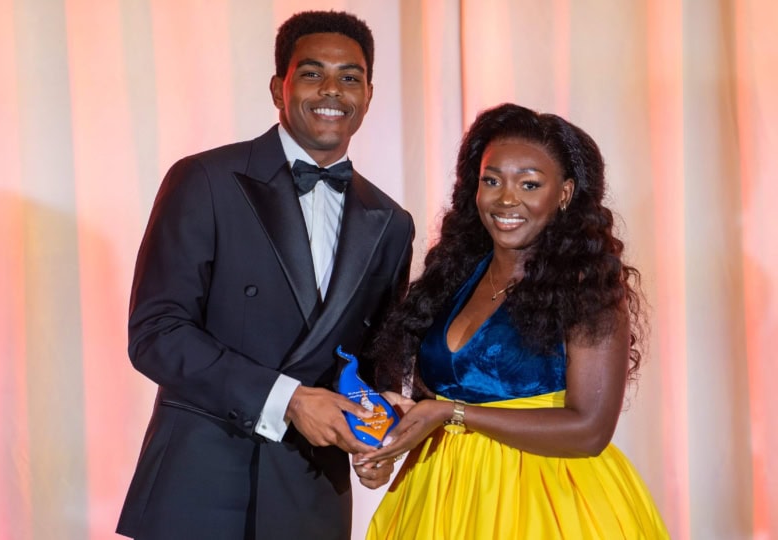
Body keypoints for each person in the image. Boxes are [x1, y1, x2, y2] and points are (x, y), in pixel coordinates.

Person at [116, 10, 414, 540]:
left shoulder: (391, 222)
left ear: (369, 95)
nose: (332, 90)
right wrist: (289, 399)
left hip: (310, 494)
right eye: (312, 73)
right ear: (279, 88)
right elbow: (156, 334)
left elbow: (374, 364)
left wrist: (375, 438)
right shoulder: (204, 180)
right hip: (199, 485)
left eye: (350, 77)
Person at [357, 103, 669, 538]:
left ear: (563, 193)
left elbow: (589, 429)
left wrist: (453, 414)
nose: (507, 198)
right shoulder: (453, 277)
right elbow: (433, 399)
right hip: (441, 501)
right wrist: (389, 444)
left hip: (548, 504)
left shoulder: (587, 287)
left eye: (529, 183)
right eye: (492, 180)